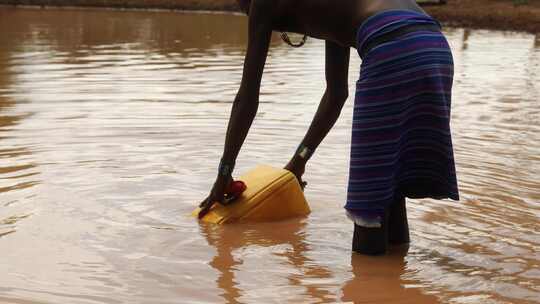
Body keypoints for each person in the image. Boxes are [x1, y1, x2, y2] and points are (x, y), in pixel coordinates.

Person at [199, 0, 459, 255]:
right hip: (434, 47)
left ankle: (366, 286)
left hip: (391, 48)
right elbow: (336, 94)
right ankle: (393, 282)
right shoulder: (331, 14)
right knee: (391, 185)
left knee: (369, 203)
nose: (244, 8)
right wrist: (299, 161)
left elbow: (246, 99)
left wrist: (224, 173)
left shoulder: (262, 4)